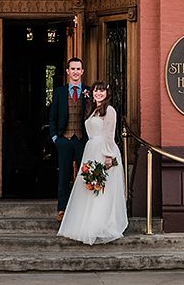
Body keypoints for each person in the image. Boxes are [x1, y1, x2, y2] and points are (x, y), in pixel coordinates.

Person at [57, 80, 128, 246]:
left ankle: (101, 225)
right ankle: (86, 223)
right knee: (89, 188)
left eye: (102, 91)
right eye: (96, 91)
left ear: (106, 93)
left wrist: (109, 156)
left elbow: (109, 134)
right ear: (92, 93)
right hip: (91, 150)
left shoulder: (109, 111)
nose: (99, 93)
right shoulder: (92, 110)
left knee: (102, 189)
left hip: (104, 150)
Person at [48, 56, 90, 220]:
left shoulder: (88, 92)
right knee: (64, 176)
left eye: (78, 69)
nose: (75, 72)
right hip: (64, 139)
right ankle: (62, 209)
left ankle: (83, 209)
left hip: (82, 140)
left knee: (84, 175)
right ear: (67, 71)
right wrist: (55, 138)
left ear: (82, 71)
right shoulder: (59, 92)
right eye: (72, 69)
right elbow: (52, 117)